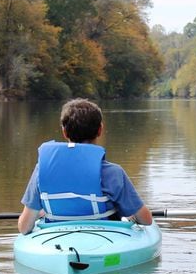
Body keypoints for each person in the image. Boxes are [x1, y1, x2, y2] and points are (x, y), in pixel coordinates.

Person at [18, 98, 153, 234]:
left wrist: (41, 212)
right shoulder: (113, 173)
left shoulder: (41, 171)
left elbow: (24, 228)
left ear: (64, 132)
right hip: (107, 240)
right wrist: (130, 216)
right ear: (100, 130)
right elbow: (146, 220)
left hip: (56, 241)